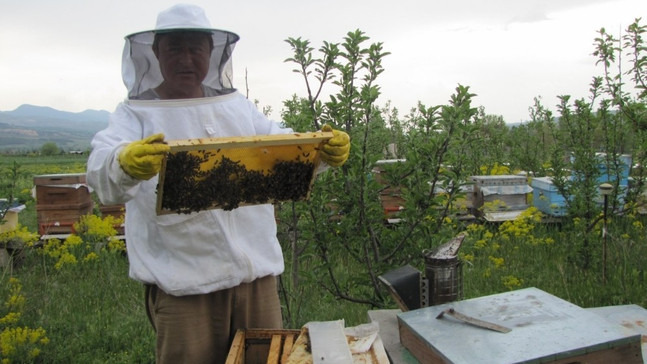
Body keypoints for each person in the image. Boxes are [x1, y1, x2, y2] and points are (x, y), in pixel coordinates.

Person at [86, 4, 350, 363]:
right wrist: (124, 162)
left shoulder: (237, 108)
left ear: (211, 53)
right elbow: (101, 169)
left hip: (256, 282)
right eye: (175, 48)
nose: (186, 58)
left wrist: (320, 152)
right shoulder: (135, 114)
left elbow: (282, 150)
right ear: (156, 53)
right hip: (185, 288)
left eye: (196, 48)